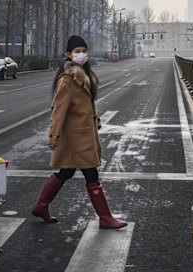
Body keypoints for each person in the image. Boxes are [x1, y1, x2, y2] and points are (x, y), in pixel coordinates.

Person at [30, 35, 127, 229]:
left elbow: (84, 106)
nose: (81, 54)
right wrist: (53, 135)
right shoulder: (67, 80)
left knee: (66, 172)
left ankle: (41, 206)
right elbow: (58, 110)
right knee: (91, 174)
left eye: (84, 51)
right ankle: (105, 217)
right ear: (69, 54)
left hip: (81, 134)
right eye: (77, 51)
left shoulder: (84, 75)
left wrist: (94, 119)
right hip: (75, 138)